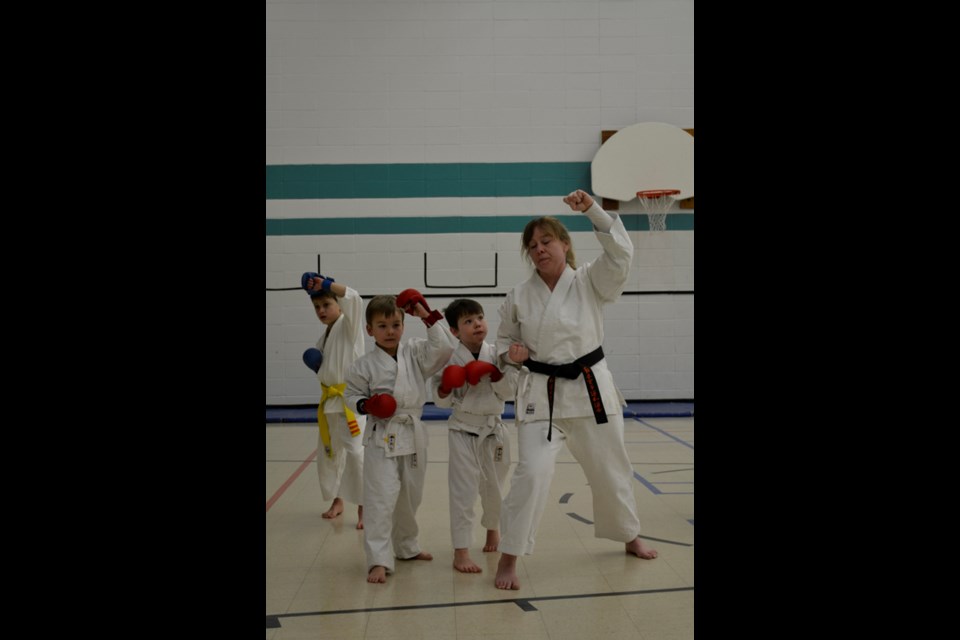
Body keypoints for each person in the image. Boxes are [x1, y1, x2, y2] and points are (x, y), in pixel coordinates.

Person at [493, 189, 658, 591]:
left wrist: (593, 211)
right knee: (530, 472)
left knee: (611, 468)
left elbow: (621, 255)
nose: (539, 250)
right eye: (532, 246)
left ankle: (628, 534)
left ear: (565, 244)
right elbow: (501, 346)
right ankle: (509, 555)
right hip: (540, 395)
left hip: (590, 389)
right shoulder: (518, 296)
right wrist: (510, 355)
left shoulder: (589, 280)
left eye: (546, 241)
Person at [345, 290, 455, 584]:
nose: (390, 331)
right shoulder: (363, 364)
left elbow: (444, 349)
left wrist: (426, 315)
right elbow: (351, 394)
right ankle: (378, 560)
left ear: (404, 326)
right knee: (380, 498)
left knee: (410, 496)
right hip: (382, 434)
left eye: (395, 324)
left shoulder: (416, 352)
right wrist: (367, 405)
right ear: (369, 330)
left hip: (413, 431)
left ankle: (406, 547)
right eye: (382, 326)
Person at [432, 299, 523, 574]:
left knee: (494, 485)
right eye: (468, 321)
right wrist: (447, 386)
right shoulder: (448, 357)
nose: (477, 324)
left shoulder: (497, 354)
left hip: (494, 429)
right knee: (463, 491)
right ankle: (461, 550)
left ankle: (492, 529)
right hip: (462, 430)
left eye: (480, 318)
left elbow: (510, 393)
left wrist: (495, 374)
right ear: (455, 331)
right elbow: (440, 402)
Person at [301, 272, 367, 529]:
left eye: (326, 304)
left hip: (350, 402)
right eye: (317, 307)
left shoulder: (349, 326)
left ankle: (364, 507)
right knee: (331, 454)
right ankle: (338, 500)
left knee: (356, 454)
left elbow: (355, 298)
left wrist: (326, 285)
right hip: (330, 403)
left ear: (338, 305)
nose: (321, 310)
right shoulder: (325, 336)